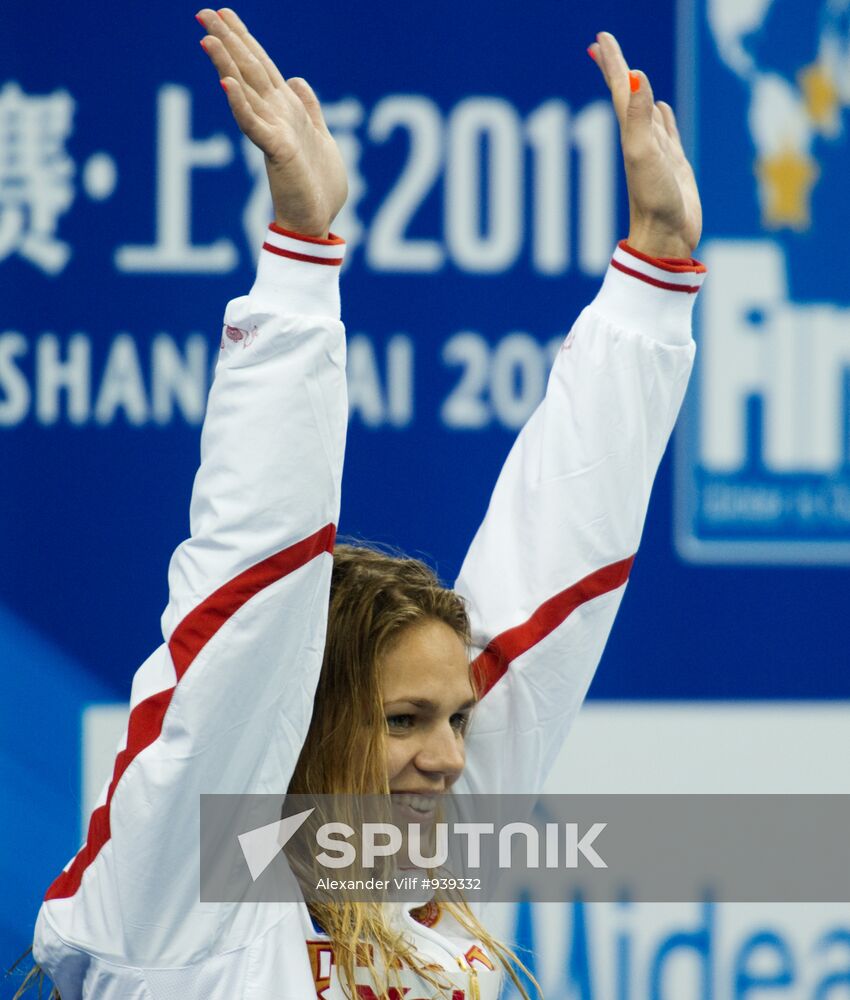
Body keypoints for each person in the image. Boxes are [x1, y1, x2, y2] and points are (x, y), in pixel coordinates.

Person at [17, 8, 704, 999]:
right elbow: (248, 603)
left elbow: (553, 591)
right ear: (307, 719)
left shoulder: (417, 884)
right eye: (406, 720)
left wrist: (655, 277)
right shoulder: (180, 902)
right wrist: (299, 261)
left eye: (457, 722)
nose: (447, 760)